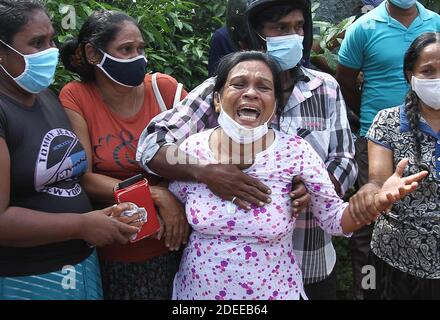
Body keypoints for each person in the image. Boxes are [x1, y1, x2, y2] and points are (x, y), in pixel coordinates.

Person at [137, 0, 358, 300]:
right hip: (216, 281)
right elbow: (152, 144)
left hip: (308, 257)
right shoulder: (219, 89)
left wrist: (319, 188)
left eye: (298, 27)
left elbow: (344, 158)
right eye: (280, 28)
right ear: (252, 35)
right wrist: (204, 172)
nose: (293, 36)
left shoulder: (326, 88)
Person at [168, 50, 427, 300]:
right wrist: (159, 195)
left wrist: (373, 203)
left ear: (275, 107)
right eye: (238, 84)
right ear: (216, 98)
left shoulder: (295, 152)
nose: (250, 93)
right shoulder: (192, 150)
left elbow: (335, 219)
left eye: (263, 87)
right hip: (196, 292)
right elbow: (173, 202)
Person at [0, 0, 139, 300]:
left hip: (80, 266)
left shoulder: (44, 97)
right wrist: (81, 224)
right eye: (37, 43)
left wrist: (103, 217)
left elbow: (67, 179)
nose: (50, 51)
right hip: (27, 279)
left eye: (51, 40)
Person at [59, 10, 189, 300]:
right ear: (94, 54)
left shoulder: (164, 90)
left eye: (141, 49)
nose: (138, 58)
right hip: (116, 250)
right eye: (126, 49)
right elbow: (84, 176)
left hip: (175, 241)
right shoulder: (77, 96)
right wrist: (155, 194)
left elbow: (203, 153)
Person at [336, 0, 440, 300]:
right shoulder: (388, 122)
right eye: (428, 71)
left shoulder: (434, 20)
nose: (435, 79)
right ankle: (362, 290)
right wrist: (376, 192)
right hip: (396, 258)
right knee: (365, 236)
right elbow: (377, 180)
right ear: (410, 76)